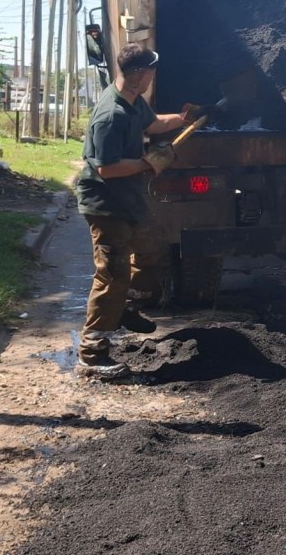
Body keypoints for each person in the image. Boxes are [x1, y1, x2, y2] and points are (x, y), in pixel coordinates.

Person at [74, 42, 216, 379]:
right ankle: (92, 355)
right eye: (150, 70)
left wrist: (183, 119)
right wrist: (148, 163)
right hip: (106, 203)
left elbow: (153, 125)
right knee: (111, 275)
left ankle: (127, 305)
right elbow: (106, 168)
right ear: (139, 73)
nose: (153, 76)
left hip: (129, 199)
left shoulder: (133, 101)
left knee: (153, 251)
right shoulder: (112, 115)